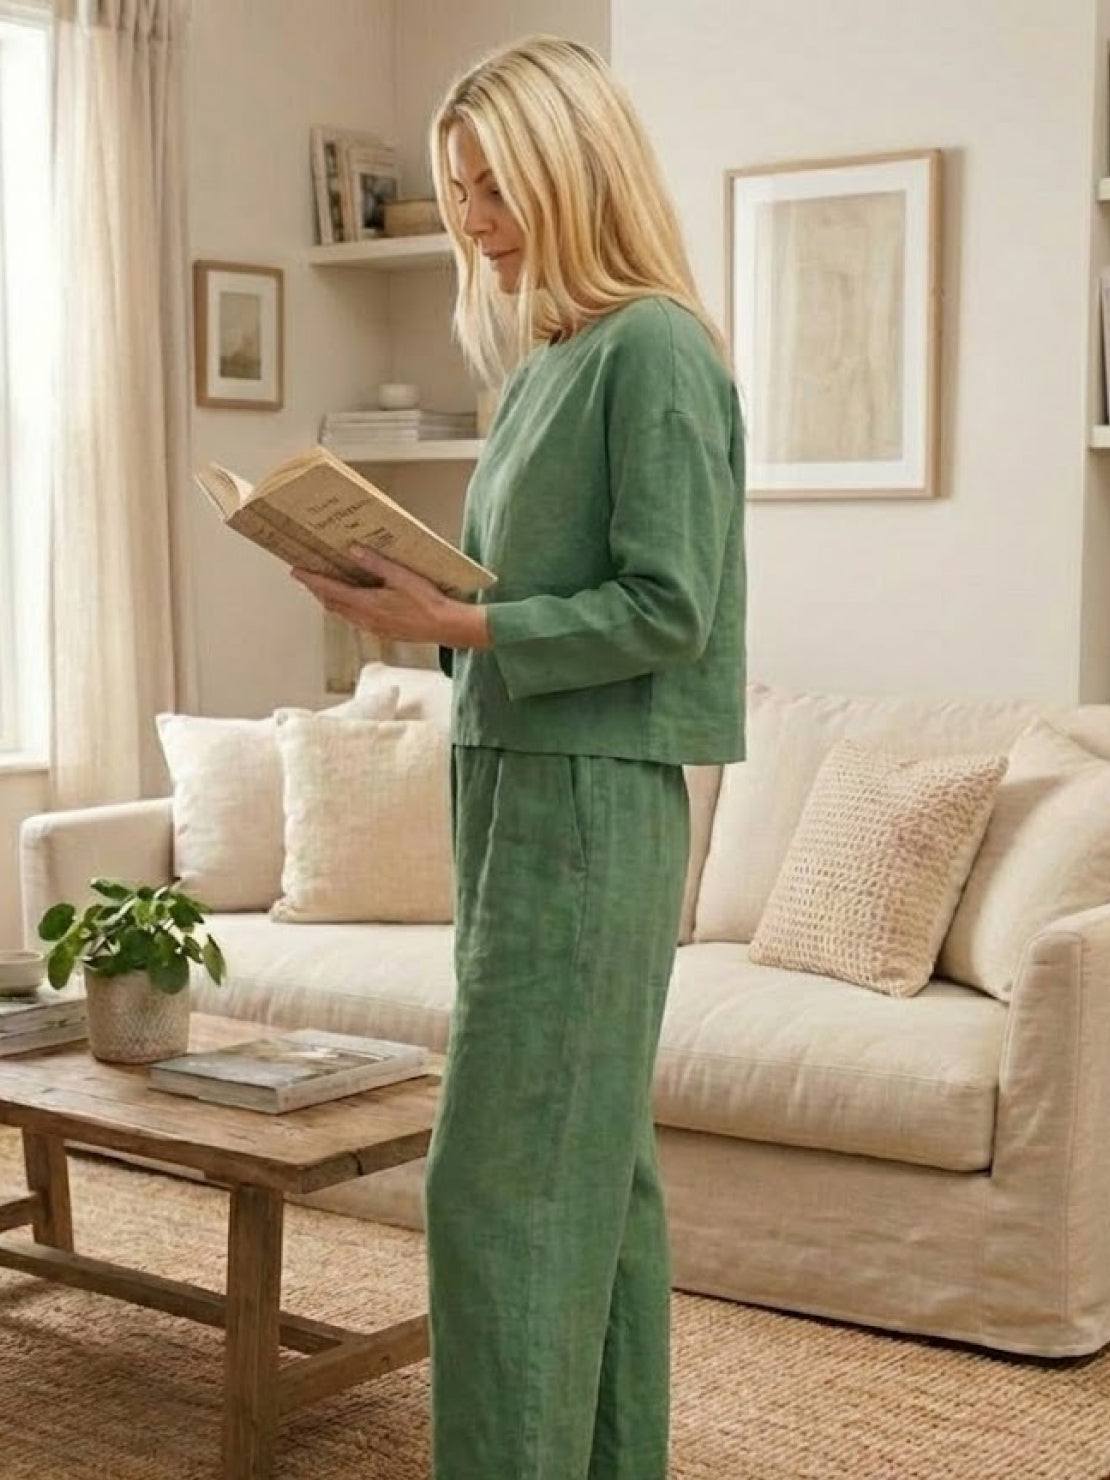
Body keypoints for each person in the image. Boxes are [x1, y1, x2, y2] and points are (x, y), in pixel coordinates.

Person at [290, 32, 746, 1480]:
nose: (475, 223)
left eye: (496, 190)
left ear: (577, 176)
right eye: (459, 190)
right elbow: (510, 595)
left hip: (588, 800)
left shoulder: (652, 348)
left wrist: (460, 625)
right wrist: (402, 605)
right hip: (510, 782)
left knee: (495, 1187)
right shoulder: (549, 359)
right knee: (586, 1177)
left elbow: (669, 607)